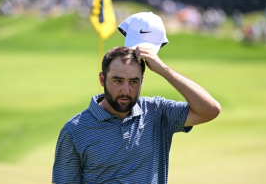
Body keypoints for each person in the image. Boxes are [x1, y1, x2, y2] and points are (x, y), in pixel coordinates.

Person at [52, 46, 221, 184]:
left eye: (133, 82)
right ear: (102, 79)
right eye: (118, 81)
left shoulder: (157, 112)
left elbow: (211, 109)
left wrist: (164, 70)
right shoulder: (74, 131)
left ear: (142, 81)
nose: (126, 91)